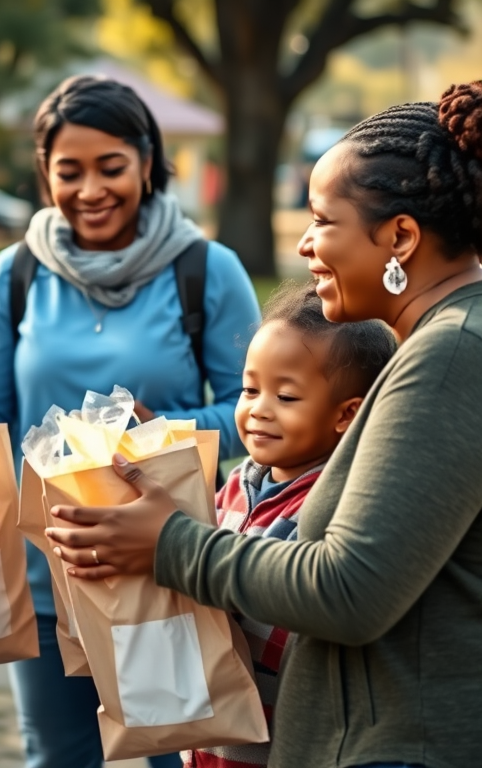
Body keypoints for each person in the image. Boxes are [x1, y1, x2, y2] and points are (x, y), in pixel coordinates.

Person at [47, 81, 482, 768]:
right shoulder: (442, 343)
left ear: (399, 236)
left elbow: (350, 590)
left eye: (322, 221)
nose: (306, 246)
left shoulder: (452, 353)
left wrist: (171, 544)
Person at [0, 74, 261, 768]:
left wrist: (162, 432)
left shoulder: (206, 270)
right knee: (56, 757)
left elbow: (258, 415)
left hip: (163, 568)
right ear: (45, 174)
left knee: (171, 750)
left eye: (111, 167)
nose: (90, 189)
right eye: (70, 171)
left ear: (147, 164)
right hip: (46, 572)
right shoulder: (15, 275)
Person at [184, 281, 395, 768]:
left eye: (286, 396)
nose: (258, 409)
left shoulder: (336, 503)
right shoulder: (236, 484)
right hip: (211, 744)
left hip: (284, 744)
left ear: (348, 414)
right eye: (249, 389)